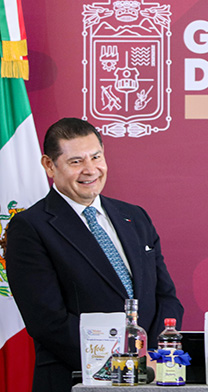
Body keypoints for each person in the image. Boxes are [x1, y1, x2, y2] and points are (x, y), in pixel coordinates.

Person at [6, 118, 184, 392]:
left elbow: (166, 298)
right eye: (76, 161)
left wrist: (152, 357)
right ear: (49, 166)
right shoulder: (30, 227)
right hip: (76, 380)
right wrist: (124, 364)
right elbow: (48, 322)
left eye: (96, 157)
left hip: (149, 379)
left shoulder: (135, 217)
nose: (90, 170)